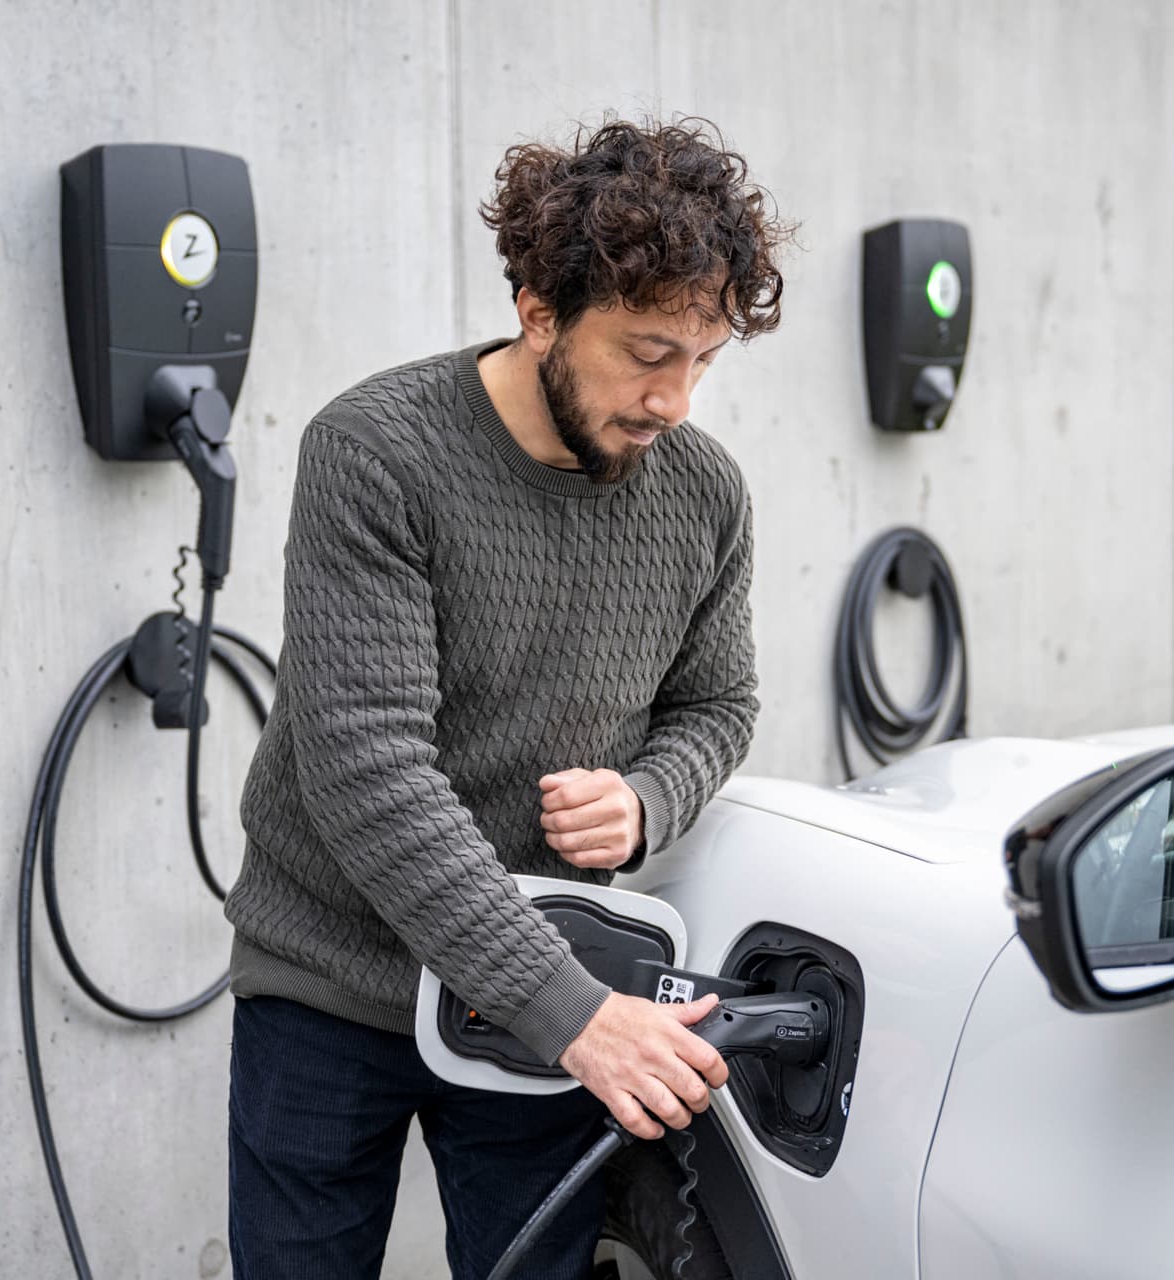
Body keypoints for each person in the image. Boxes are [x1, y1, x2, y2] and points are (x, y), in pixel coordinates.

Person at [222, 116, 792, 1280]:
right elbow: (367, 771)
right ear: (540, 311)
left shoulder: (707, 496)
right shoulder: (377, 453)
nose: (676, 399)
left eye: (704, 359)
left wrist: (646, 798)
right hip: (335, 985)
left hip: (548, 989)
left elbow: (720, 704)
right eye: (646, 352)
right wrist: (575, 1013)